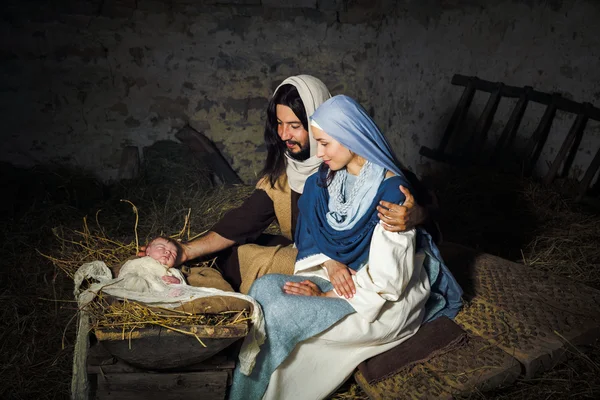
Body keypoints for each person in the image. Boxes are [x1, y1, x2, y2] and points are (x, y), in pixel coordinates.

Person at [229, 95, 463, 400]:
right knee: (264, 290)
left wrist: (328, 294)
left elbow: (388, 282)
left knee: (284, 314)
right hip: (337, 275)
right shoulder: (320, 182)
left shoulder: (392, 193)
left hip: (378, 299)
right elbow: (309, 238)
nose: (319, 152)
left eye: (325, 143)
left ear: (350, 137)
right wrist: (330, 263)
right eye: (317, 142)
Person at [140, 75, 435, 294]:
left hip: (353, 264)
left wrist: (416, 214)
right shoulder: (286, 172)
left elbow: (422, 203)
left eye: (295, 126)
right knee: (231, 251)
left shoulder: (364, 167)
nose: (284, 135)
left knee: (252, 262)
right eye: (279, 124)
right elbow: (243, 220)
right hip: (312, 253)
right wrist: (185, 250)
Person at [118, 236, 187, 292]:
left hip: (162, 294)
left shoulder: (173, 271)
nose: (168, 252)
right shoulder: (142, 262)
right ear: (148, 251)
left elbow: (184, 286)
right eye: (161, 247)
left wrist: (176, 281)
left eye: (173, 254)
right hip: (141, 288)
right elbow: (127, 271)